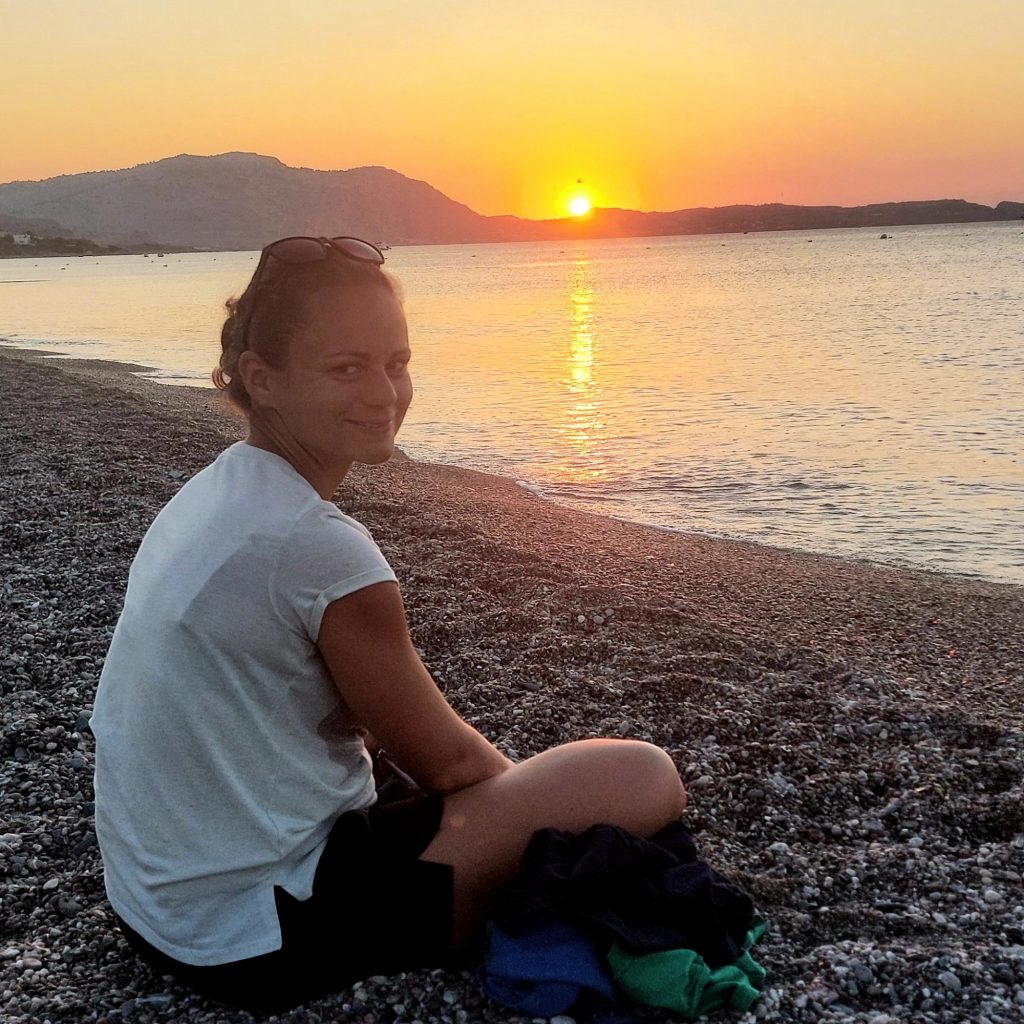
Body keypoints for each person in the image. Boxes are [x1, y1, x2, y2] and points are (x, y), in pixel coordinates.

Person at [90, 236, 686, 1012]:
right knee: (642, 775)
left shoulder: (210, 496)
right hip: (258, 938)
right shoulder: (317, 546)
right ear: (262, 379)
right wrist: (522, 819)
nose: (383, 393)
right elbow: (453, 767)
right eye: (347, 368)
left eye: (396, 363)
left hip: (154, 906)